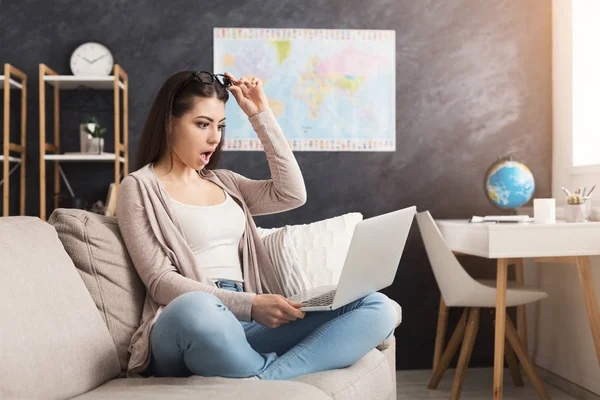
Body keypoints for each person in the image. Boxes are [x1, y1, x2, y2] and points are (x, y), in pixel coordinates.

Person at [116, 70, 397, 380]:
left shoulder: (226, 183)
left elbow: (290, 193)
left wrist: (260, 115)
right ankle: (262, 372)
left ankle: (266, 379)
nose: (214, 138)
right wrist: (250, 305)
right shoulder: (138, 187)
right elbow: (160, 281)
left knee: (378, 306)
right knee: (195, 308)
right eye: (202, 124)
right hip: (189, 322)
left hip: (248, 324)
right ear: (169, 123)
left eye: (220, 126)